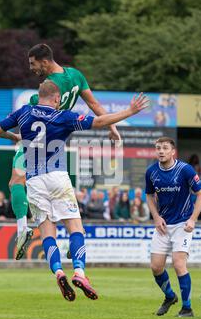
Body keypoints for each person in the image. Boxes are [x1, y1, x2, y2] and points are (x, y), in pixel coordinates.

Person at [0, 80, 148, 301]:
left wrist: (15, 137)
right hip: (57, 177)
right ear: (56, 99)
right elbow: (101, 120)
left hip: (35, 181)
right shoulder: (63, 116)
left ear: (39, 95)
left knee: (47, 234)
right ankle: (80, 272)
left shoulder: (24, 112)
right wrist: (130, 111)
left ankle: (58, 271)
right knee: (76, 229)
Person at [10, 43, 122, 260]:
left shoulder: (48, 87)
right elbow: (93, 103)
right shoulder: (75, 75)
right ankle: (77, 236)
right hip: (57, 140)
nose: (31, 69)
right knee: (61, 197)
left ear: (45, 61)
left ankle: (23, 229)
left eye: (33, 64)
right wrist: (112, 127)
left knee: (16, 181)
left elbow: (35, 117)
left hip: (39, 143)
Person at [145, 137, 201, 317]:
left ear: (173, 152)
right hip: (163, 225)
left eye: (165, 148)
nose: (161, 151)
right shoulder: (151, 172)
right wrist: (156, 217)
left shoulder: (185, 170)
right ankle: (170, 296)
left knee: (179, 264)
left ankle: (187, 308)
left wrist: (193, 219)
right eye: (158, 148)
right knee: (156, 267)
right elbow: (149, 195)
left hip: (182, 224)